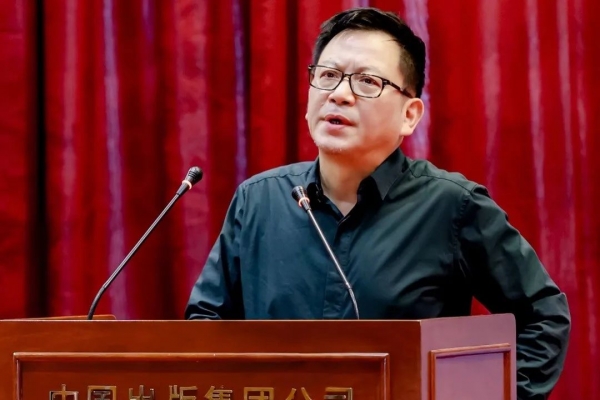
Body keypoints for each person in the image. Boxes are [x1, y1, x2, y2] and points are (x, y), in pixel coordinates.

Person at [185, 7, 570, 400]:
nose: (339, 94)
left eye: (367, 81)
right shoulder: (258, 200)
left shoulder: (452, 206)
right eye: (328, 75)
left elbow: (544, 317)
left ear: (409, 115)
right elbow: (205, 322)